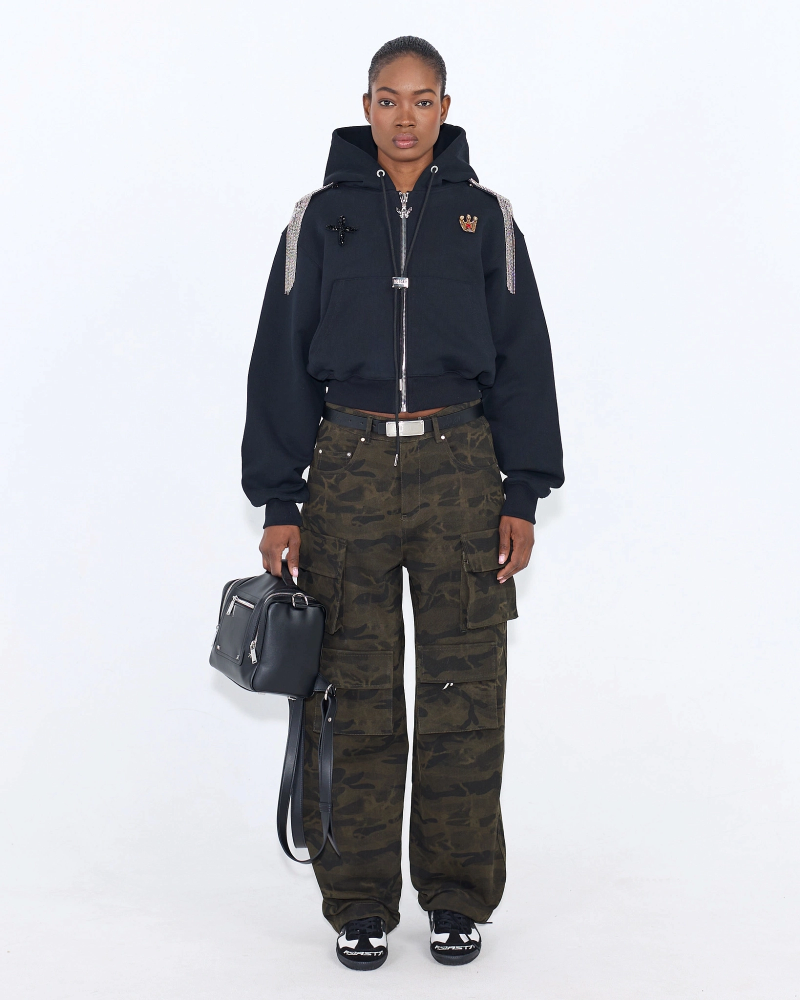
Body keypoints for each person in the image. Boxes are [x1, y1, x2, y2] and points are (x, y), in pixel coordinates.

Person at [241, 35, 564, 970]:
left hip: (461, 466)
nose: (406, 117)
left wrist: (522, 491)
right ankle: (358, 903)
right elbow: (279, 360)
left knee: (465, 692)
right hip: (345, 467)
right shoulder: (319, 219)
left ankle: (457, 897)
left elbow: (525, 356)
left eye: (424, 100)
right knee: (352, 693)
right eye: (390, 99)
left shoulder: (486, 219)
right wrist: (280, 501)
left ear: (446, 108)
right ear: (367, 106)